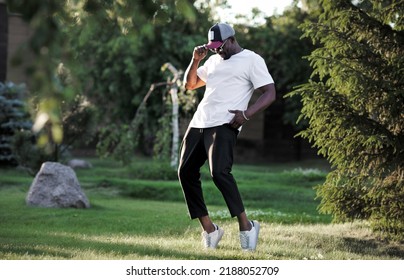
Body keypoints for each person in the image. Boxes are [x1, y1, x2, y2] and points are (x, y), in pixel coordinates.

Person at [178, 23, 276, 251]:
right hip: (200, 121)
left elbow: (270, 92)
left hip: (225, 122)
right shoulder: (212, 60)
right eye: (213, 48)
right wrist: (196, 60)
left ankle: (247, 227)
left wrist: (247, 114)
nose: (216, 51)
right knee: (185, 172)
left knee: (220, 172)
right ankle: (210, 230)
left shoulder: (252, 60)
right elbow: (190, 84)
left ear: (231, 40)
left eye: (220, 47)